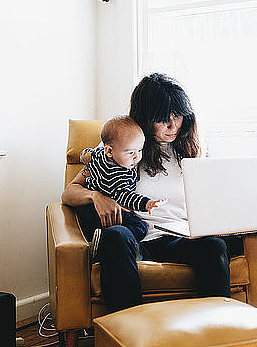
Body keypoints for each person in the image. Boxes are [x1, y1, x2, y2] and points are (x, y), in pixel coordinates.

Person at [61, 73, 239, 311]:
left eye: (178, 116)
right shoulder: (120, 149)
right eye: (163, 119)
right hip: (137, 240)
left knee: (215, 246)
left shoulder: (192, 150)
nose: (173, 125)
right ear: (146, 118)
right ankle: (128, 330)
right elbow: (69, 193)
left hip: (178, 239)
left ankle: (217, 331)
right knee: (115, 236)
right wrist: (95, 196)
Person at [79, 115, 167, 260]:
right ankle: (102, 241)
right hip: (108, 214)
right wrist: (146, 203)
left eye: (140, 151)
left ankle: (99, 237)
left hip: (88, 214)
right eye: (131, 152)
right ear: (109, 151)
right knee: (140, 227)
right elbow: (125, 196)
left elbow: (87, 155)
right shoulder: (121, 174)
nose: (136, 158)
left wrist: (85, 156)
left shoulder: (100, 155)